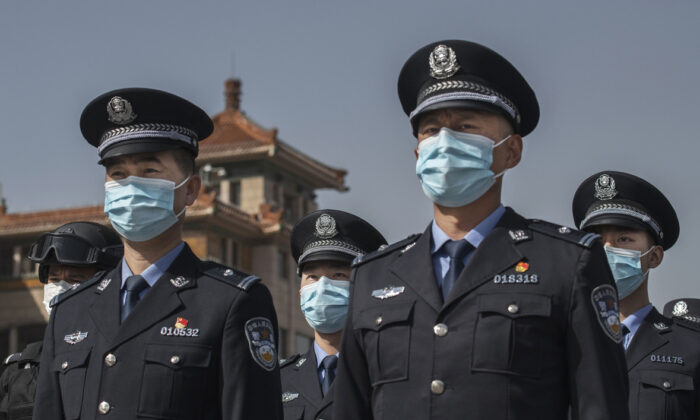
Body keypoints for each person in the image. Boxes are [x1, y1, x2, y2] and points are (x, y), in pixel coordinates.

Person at [332, 40, 629, 420]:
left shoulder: (568, 264)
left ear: (511, 151)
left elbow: (600, 406)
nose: (444, 142)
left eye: (465, 127)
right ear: (417, 154)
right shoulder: (371, 275)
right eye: (431, 129)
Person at [33, 88, 283, 420]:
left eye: (149, 172)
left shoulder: (229, 304)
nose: (130, 187)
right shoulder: (70, 310)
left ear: (190, 190)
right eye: (118, 174)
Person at [573, 170, 700, 419]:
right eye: (595, 239)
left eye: (623, 238)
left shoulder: (691, 348)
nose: (607, 249)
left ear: (653, 256)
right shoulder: (558, 338)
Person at [0, 221, 122, 420]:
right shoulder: (21, 370)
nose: (60, 289)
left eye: (76, 280)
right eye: (54, 279)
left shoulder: (119, 361)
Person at [281, 210, 386, 420]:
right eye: (312, 276)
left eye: (338, 275)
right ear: (300, 288)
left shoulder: (387, 373)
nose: (322, 287)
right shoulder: (278, 379)